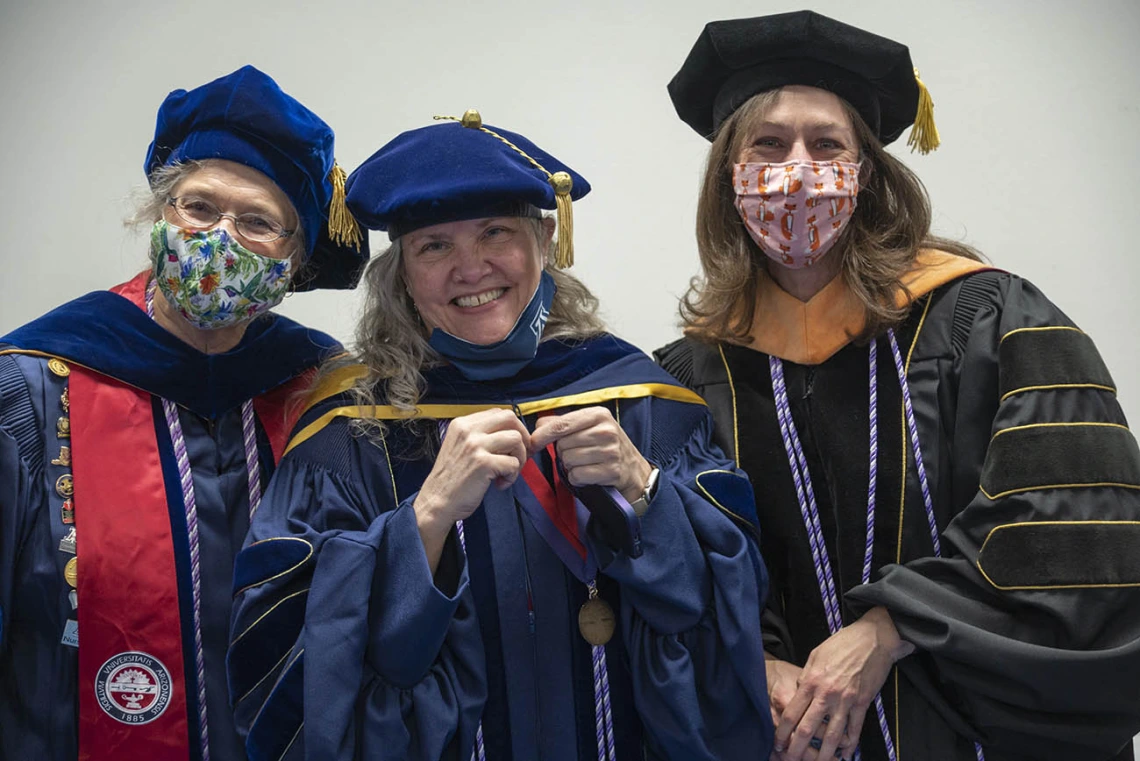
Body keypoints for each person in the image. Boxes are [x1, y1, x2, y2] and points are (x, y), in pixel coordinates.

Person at [655, 11, 1140, 761]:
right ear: (729, 172)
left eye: (827, 144)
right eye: (769, 144)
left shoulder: (989, 319)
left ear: (867, 171)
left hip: (966, 731)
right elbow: (682, 559)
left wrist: (891, 626)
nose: (799, 169)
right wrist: (752, 656)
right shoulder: (693, 374)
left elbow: (1066, 524)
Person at [227, 110, 773, 761]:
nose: (472, 266)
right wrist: (424, 521)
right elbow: (290, 654)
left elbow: (722, 617)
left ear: (545, 239)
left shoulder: (642, 398)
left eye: (496, 233)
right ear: (401, 271)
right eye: (435, 246)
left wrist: (647, 491)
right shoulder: (348, 433)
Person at [0, 65, 368, 761]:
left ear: (294, 258)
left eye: (257, 221)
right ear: (160, 215)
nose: (219, 239)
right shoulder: (30, 391)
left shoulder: (326, 395)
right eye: (198, 208)